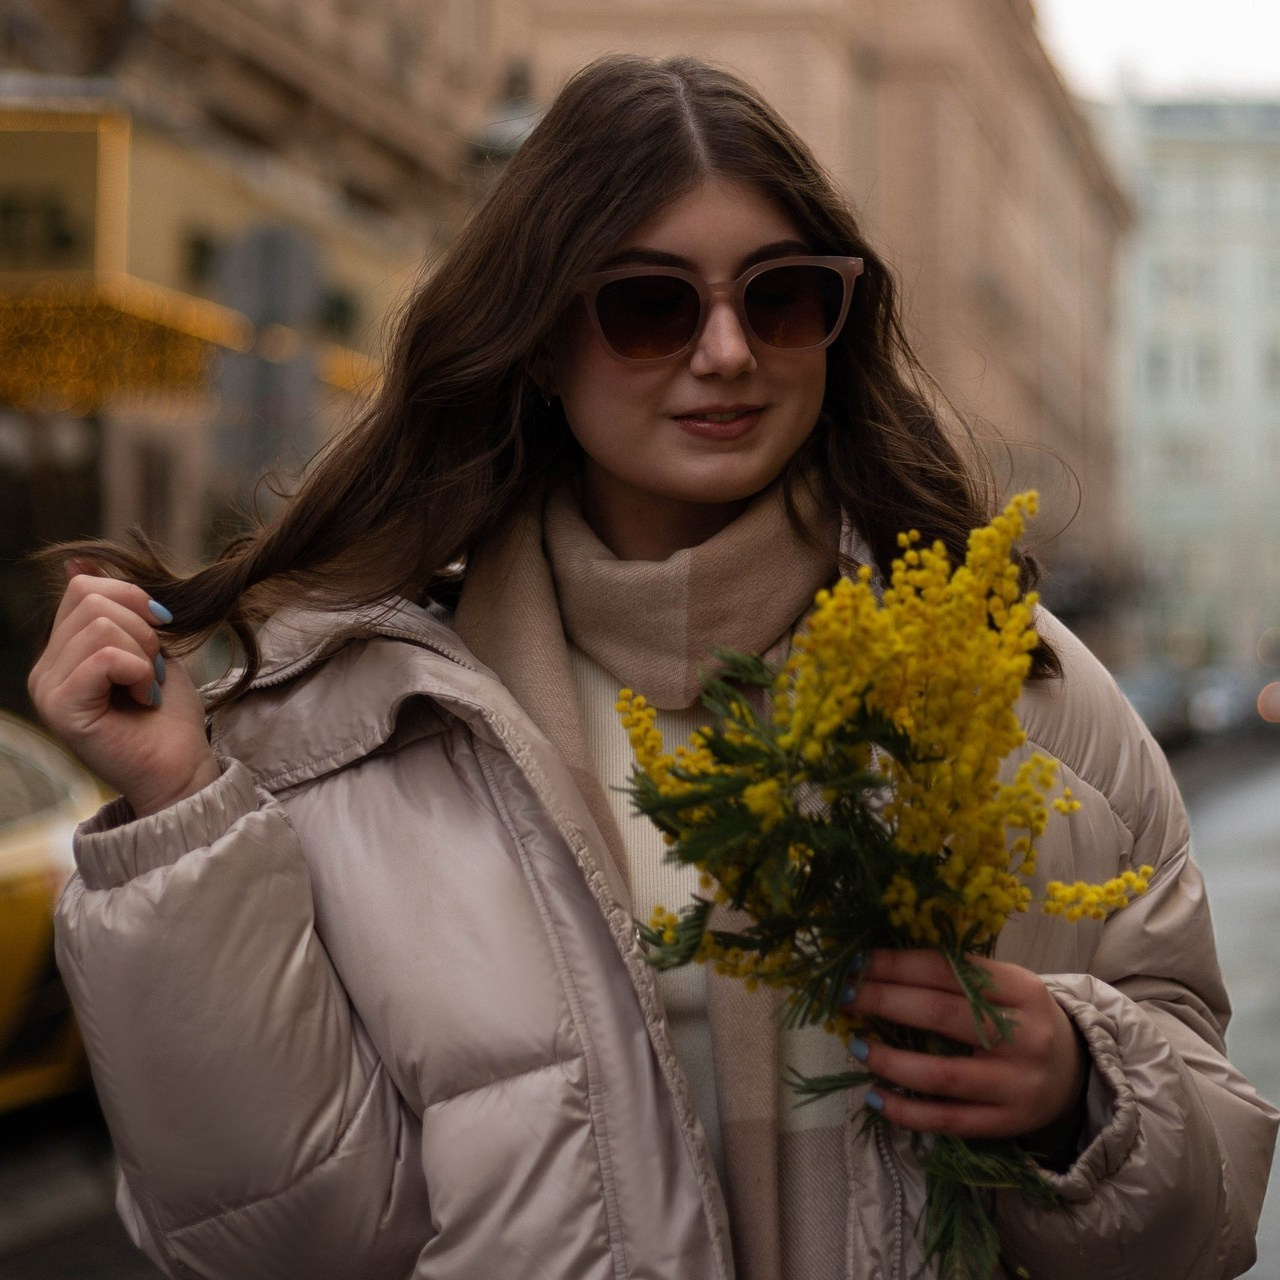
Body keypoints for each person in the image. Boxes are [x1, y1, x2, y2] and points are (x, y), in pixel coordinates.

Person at [28, 53, 1276, 1280]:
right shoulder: (352, 727)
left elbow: (1206, 1221)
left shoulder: (1027, 695)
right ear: (537, 338)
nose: (726, 352)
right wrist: (179, 814)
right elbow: (287, 1236)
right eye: (648, 304)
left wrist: (1076, 1088)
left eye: (780, 296)